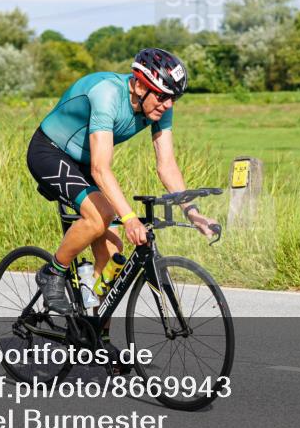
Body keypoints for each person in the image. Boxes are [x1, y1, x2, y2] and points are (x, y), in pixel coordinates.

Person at [26, 47, 219, 321]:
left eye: (174, 98)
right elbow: (100, 168)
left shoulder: (159, 107)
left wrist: (193, 212)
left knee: (112, 256)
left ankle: (94, 333)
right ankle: (53, 272)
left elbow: (167, 166)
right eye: (162, 96)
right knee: (100, 216)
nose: (168, 105)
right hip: (50, 151)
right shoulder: (107, 94)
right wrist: (129, 219)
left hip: (85, 162)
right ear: (140, 86)